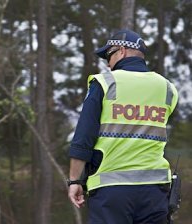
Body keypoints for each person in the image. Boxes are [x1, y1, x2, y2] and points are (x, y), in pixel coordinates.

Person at [67, 29, 178, 224]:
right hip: (155, 190)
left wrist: (75, 181)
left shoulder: (104, 83)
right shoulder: (167, 88)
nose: (107, 63)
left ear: (122, 51)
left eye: (108, 56)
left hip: (111, 190)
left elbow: (84, 137)